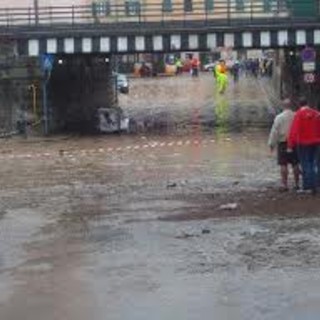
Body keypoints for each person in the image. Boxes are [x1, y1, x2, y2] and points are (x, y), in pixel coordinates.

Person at [287, 97, 320, 194]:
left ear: (299, 104)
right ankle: (316, 184)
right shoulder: (316, 113)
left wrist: (290, 145)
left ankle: (308, 186)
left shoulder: (299, 114)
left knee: (306, 164)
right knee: (314, 163)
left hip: (303, 143)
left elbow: (294, 130)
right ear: (307, 103)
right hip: (316, 142)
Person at [268, 98, 300, 191]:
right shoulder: (296, 115)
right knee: (296, 163)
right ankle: (297, 184)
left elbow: (274, 132)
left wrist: (271, 144)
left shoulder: (279, 117)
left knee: (283, 164)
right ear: (292, 106)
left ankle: (285, 184)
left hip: (283, 143)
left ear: (283, 106)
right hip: (294, 142)